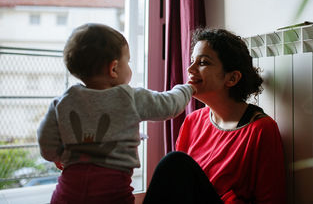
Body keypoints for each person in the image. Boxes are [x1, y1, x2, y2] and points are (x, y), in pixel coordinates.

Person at [37, 23, 195, 204]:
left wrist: (58, 155)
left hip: (67, 194)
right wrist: (188, 88)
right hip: (111, 194)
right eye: (127, 62)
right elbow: (169, 105)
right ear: (113, 68)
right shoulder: (129, 97)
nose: (129, 67)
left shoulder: (63, 101)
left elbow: (46, 141)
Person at [144, 28, 286, 204]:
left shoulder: (260, 129)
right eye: (192, 61)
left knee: (174, 162)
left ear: (232, 78)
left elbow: (271, 199)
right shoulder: (193, 121)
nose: (190, 68)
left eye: (203, 62)